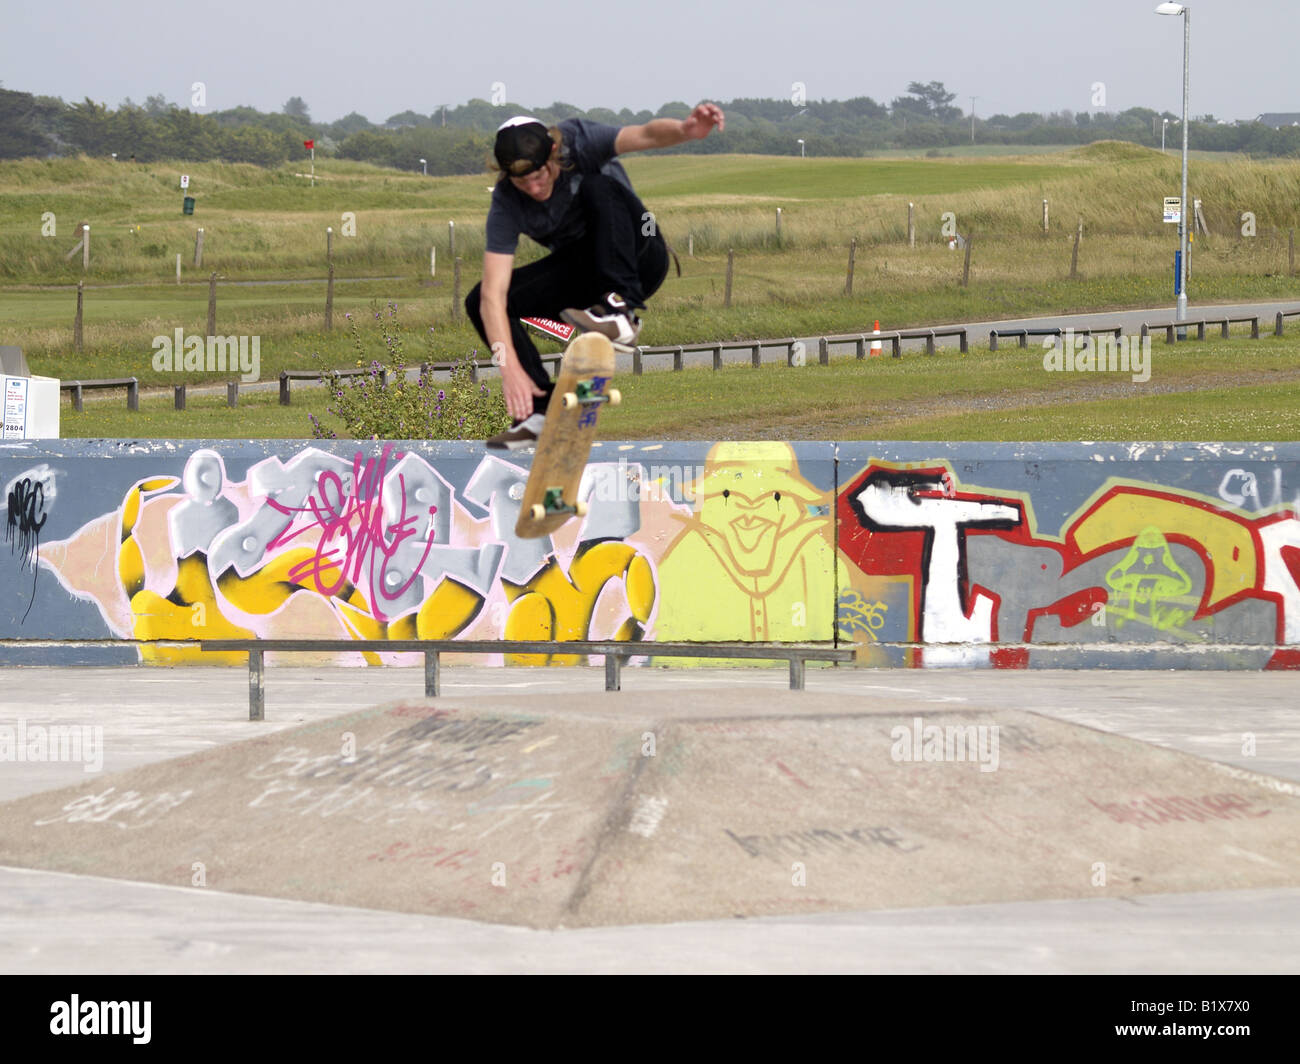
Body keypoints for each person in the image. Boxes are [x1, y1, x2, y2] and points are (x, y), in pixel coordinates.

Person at [467, 104, 725, 449]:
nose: (533, 188)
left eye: (540, 175)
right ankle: (539, 413)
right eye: (522, 181)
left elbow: (645, 134)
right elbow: (493, 298)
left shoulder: (580, 141)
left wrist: (685, 129)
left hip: (640, 257)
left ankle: (621, 310)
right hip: (584, 275)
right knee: (479, 299)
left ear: (554, 153)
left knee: (597, 185)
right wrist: (508, 367)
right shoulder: (506, 202)